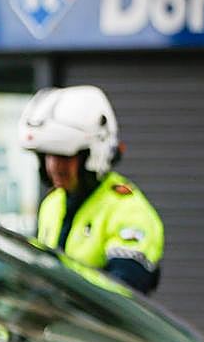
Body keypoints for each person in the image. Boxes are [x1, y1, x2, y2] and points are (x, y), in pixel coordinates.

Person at [18, 85, 164, 294]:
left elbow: (125, 290)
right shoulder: (53, 203)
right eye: (48, 155)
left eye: (65, 156)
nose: (54, 166)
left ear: (91, 156)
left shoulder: (128, 210)